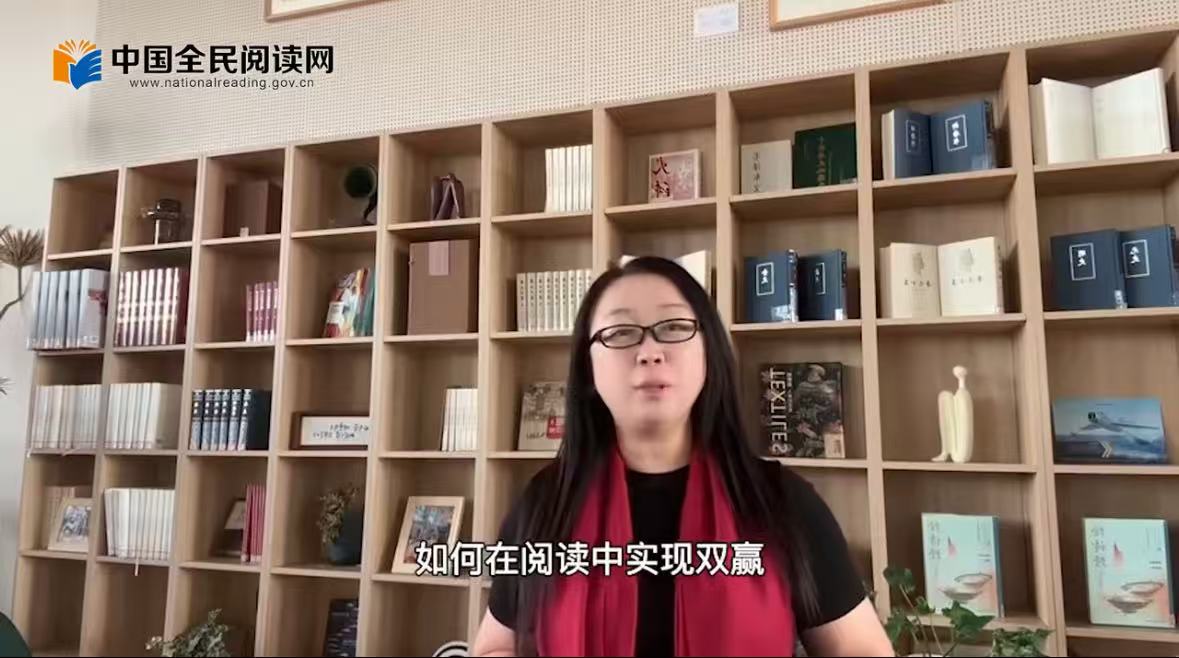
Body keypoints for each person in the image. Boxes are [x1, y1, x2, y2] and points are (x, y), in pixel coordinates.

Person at [471, 256, 892, 657]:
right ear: (589, 367)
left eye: (673, 327)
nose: (650, 351)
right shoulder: (546, 502)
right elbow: (494, 645)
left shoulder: (782, 501)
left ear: (709, 352)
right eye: (620, 333)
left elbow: (862, 649)